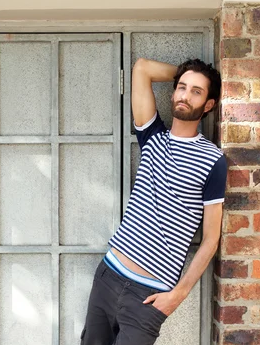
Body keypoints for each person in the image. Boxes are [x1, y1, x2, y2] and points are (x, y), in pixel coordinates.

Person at [81, 58, 227, 345]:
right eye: (182, 88)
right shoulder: (152, 137)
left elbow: (211, 238)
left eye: (197, 92)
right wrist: (184, 74)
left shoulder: (214, 160)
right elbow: (142, 69)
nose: (185, 95)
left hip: (149, 296)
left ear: (209, 105)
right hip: (108, 276)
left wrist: (178, 295)